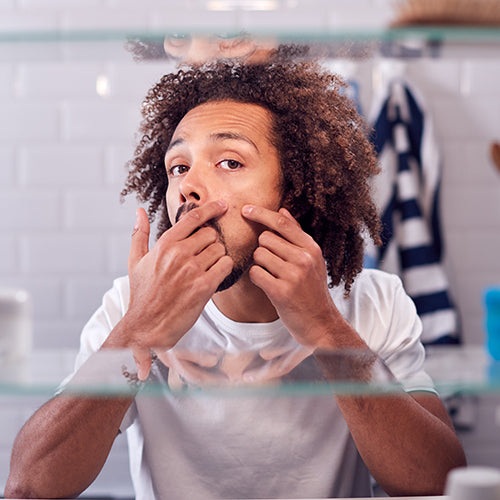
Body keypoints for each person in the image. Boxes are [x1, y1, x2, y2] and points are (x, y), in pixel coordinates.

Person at [5, 49, 466, 499]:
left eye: (229, 161)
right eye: (179, 167)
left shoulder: (371, 302)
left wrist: (326, 330)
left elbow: (437, 482)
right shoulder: (131, 306)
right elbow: (29, 487)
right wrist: (138, 332)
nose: (188, 186)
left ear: (295, 194)